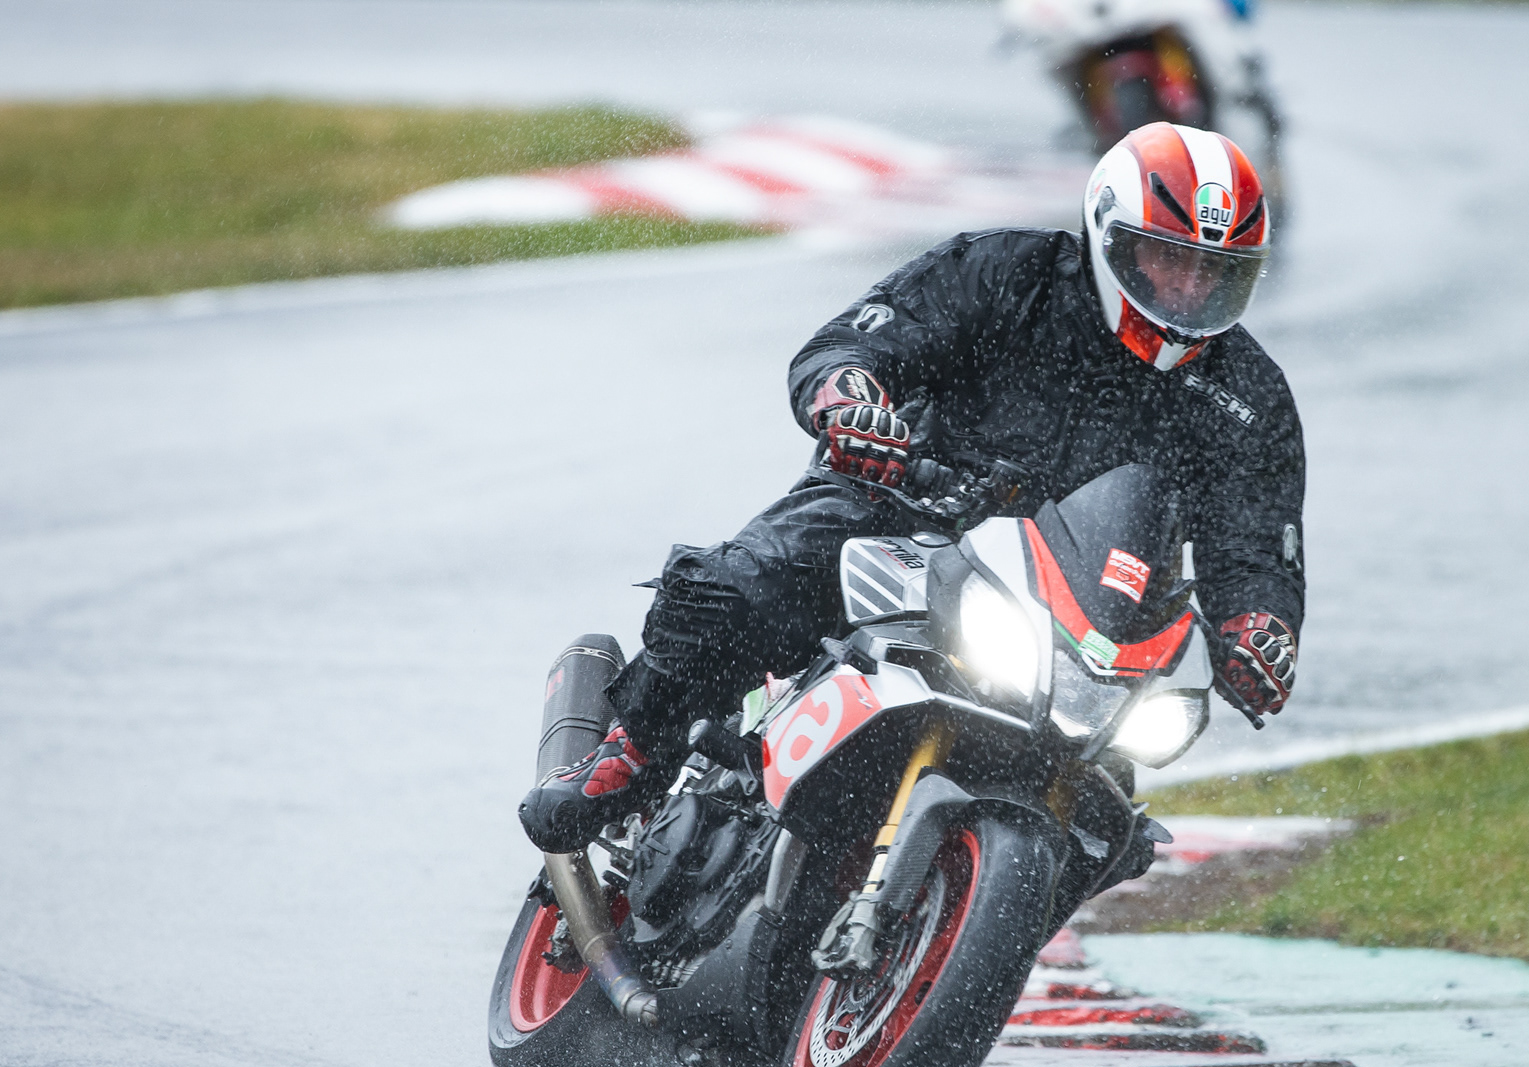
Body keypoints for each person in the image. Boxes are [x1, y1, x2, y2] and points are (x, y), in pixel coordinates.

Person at [519, 121, 1307, 855]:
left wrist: (1259, 629)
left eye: (1214, 271)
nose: (1188, 286)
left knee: (1109, 827)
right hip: (903, 513)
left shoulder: (1248, 397)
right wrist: (852, 404)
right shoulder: (1008, 272)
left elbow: (1257, 551)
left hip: (1085, 615)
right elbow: (856, 344)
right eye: (1168, 258)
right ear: (1110, 239)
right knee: (739, 589)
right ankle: (634, 750)